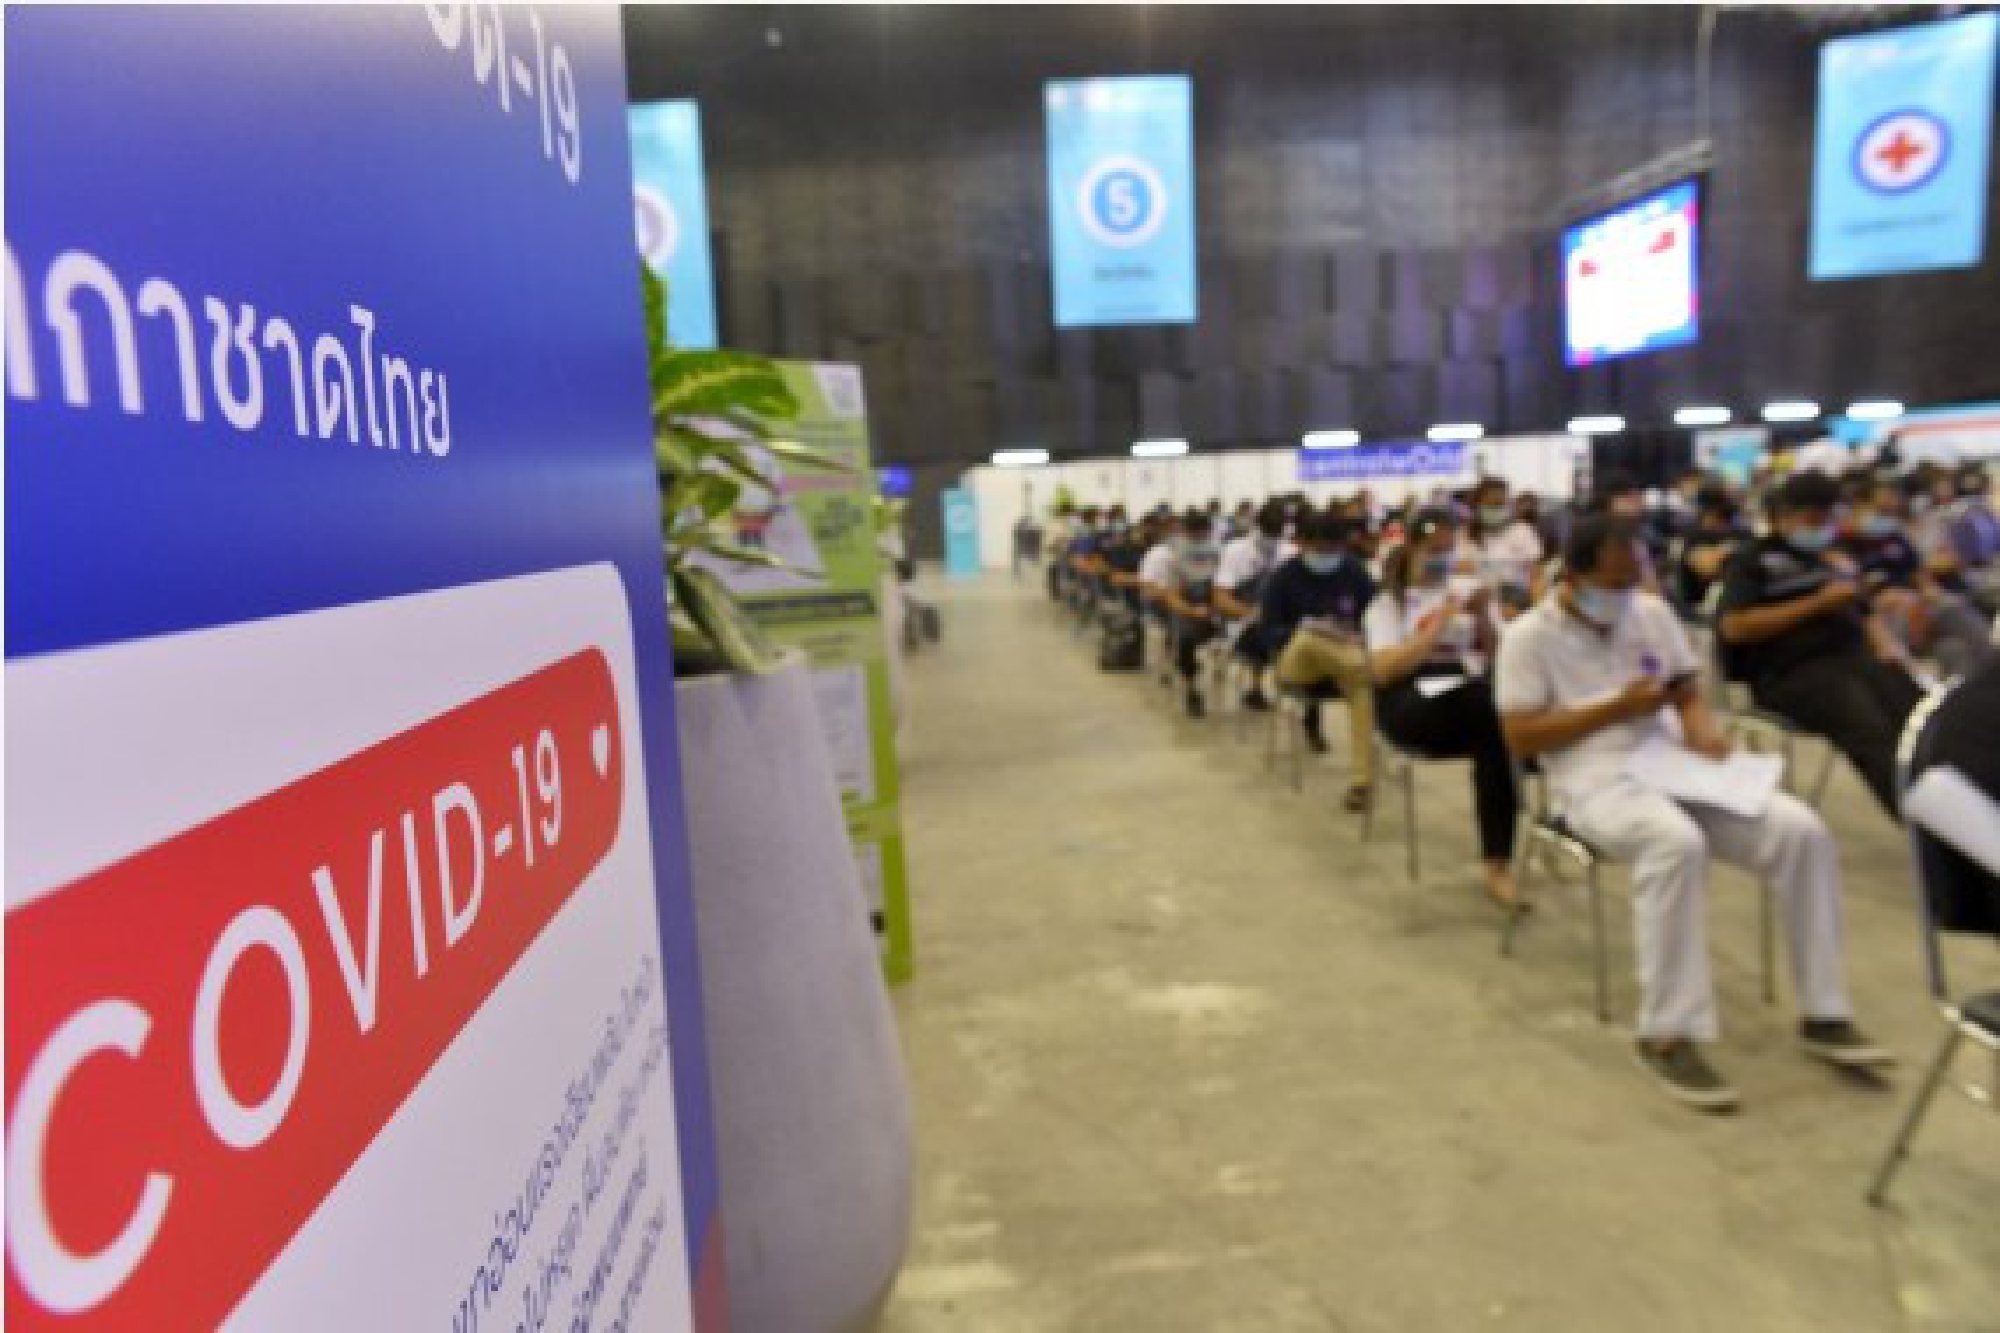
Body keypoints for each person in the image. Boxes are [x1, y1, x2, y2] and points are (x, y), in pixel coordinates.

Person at [1497, 514, 1891, 1110]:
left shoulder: (1649, 615)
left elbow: (1684, 688)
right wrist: (1611, 710)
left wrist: (1703, 732)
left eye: (1633, 578)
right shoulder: (1529, 637)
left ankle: (1825, 1010)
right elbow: (1522, 737)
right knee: (1674, 843)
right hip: (1590, 775)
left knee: (1801, 831)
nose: (1624, 593)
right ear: (1572, 577)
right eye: (1612, 581)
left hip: (1671, 760)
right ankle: (1666, 1033)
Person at [1716, 469, 1923, 817]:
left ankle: (1963, 809)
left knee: (1919, 719)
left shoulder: (1830, 557)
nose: (1823, 526)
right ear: (1784, 516)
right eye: (1815, 518)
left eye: (1829, 517)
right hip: (1792, 673)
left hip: (1855, 660)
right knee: (1871, 732)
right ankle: (1926, 830)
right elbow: (1734, 627)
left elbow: (1864, 609)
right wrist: (1816, 604)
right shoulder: (1751, 561)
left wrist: (1888, 646)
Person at [1363, 508, 1522, 908]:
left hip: (1468, 697)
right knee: (1491, 712)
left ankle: (1497, 860)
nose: (1443, 558)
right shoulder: (1388, 604)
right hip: (1407, 701)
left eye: (1449, 549)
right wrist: (1438, 625)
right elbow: (1383, 671)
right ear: (1414, 549)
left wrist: (1484, 616)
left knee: (1497, 734)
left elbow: (1499, 657)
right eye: (1434, 550)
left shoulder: (1466, 591)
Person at [1261, 511, 1379, 812]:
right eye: (1321, 549)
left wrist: (1347, 634)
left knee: (1364, 693)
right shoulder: (1282, 578)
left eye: (1335, 549)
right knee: (1308, 635)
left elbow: (1375, 617)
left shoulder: (1354, 571)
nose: (1329, 555)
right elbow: (1270, 631)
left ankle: (1361, 784)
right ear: (1302, 544)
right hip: (1297, 664)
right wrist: (1316, 629)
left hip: (1346, 664)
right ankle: (1358, 663)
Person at [1844, 474, 1994, 679]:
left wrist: (1928, 593)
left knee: (1953, 649)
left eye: (1891, 502)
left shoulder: (1893, 534)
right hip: (1889, 619)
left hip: (1921, 608)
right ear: (1859, 506)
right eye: (1881, 506)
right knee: (1949, 609)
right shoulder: (1845, 547)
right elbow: (1865, 599)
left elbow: (1921, 575)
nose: (1891, 507)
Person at [1214, 501, 1286, 710]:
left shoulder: (1289, 551)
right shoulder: (1235, 550)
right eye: (1269, 531)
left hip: (1279, 621)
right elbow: (1220, 598)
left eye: (1277, 532)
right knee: (1263, 631)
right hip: (1244, 620)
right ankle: (1256, 688)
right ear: (1258, 527)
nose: (1273, 537)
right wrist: (1253, 613)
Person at [1153, 509, 1224, 717]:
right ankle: (1192, 689)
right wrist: (1192, 610)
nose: (1199, 538)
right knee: (1185, 638)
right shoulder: (1174, 556)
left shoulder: (1219, 552)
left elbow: (1227, 586)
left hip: (1216, 605)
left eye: (1203, 533)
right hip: (1187, 608)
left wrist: (1217, 606)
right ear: (1185, 532)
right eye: (1194, 534)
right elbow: (1172, 597)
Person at [1671, 485, 1745, 617]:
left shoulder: (1739, 532)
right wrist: (1724, 552)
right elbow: (1705, 567)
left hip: (1735, 602)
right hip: (1698, 607)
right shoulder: (1691, 535)